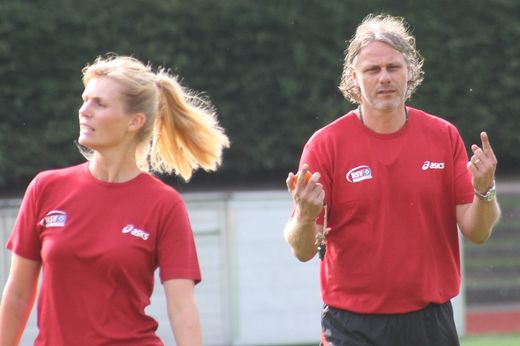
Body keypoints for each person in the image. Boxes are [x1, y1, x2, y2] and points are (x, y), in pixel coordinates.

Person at [284, 13, 501, 346]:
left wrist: (484, 190)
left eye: (393, 68)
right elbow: (302, 249)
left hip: (430, 322)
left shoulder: (443, 136)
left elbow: (477, 231)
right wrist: (304, 215)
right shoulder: (326, 145)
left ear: (409, 72)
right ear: (354, 79)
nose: (384, 78)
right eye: (372, 70)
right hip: (351, 327)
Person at [0, 55, 229, 346]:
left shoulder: (164, 204)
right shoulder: (45, 188)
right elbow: (18, 294)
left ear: (135, 121)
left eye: (100, 103)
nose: (84, 111)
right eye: (85, 100)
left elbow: (182, 308)